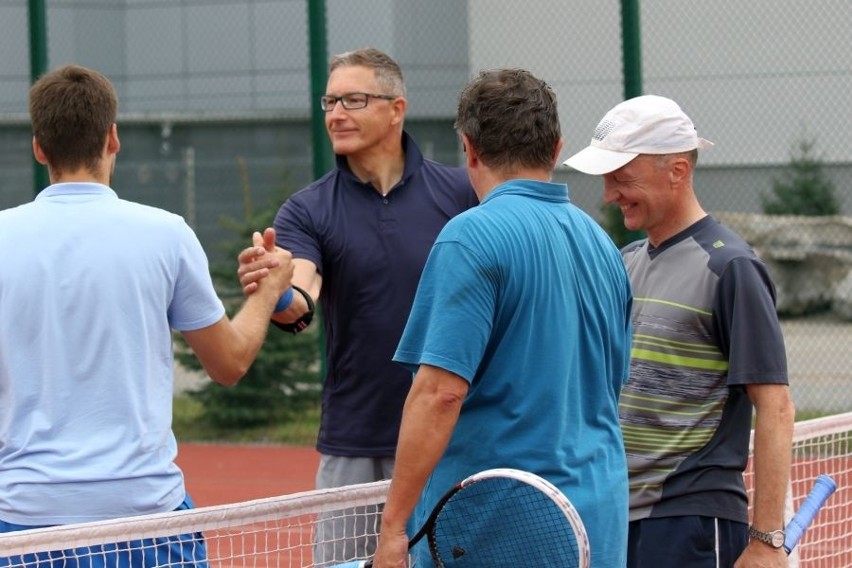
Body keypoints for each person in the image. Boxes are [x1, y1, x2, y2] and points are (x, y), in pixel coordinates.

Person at [0, 64, 294, 567]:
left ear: (39, 147)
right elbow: (230, 363)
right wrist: (269, 292)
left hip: (24, 518)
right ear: (113, 138)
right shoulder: (167, 233)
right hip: (146, 517)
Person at [368, 68, 633, 568]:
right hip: (599, 516)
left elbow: (440, 392)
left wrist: (392, 529)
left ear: (468, 148)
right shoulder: (603, 244)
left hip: (498, 525)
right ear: (556, 149)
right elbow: (609, 385)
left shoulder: (469, 237)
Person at [237, 47, 477, 565]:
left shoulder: (462, 192)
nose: (336, 114)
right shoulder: (308, 208)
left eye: (354, 99)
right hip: (355, 442)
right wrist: (276, 288)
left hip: (452, 435)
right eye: (329, 101)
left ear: (396, 109)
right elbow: (300, 299)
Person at [563, 94, 796, 568]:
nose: (608, 194)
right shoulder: (623, 263)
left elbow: (775, 407)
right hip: (613, 515)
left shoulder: (732, 267)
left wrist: (767, 542)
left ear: (677, 171)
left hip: (690, 522)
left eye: (622, 178)